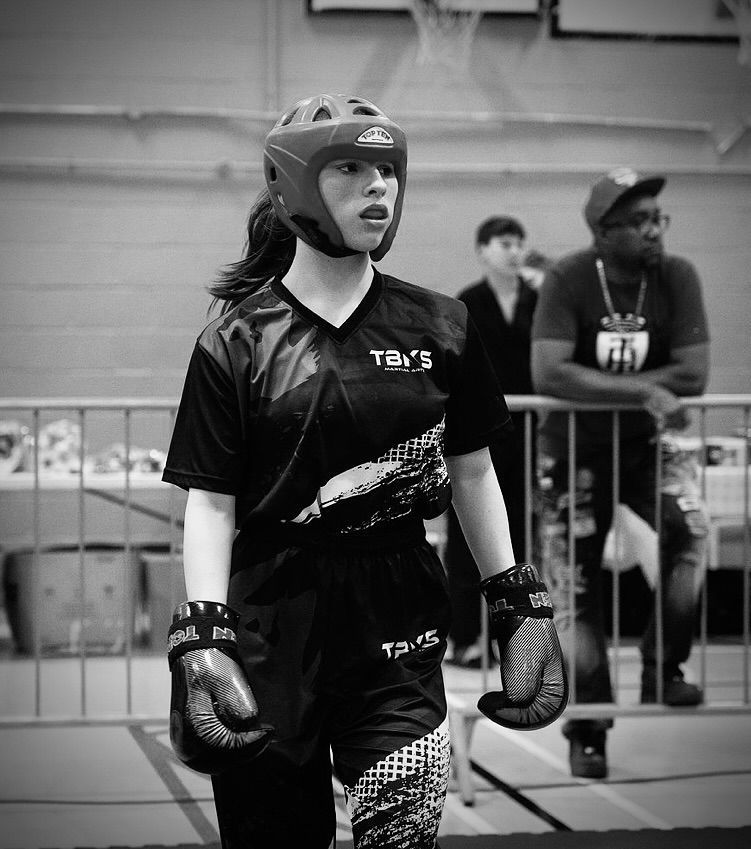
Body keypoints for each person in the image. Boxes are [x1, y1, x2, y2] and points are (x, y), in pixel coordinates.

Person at [162, 93, 567, 849]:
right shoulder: (236, 340)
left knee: (404, 833)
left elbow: (472, 472)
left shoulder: (442, 325)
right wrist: (203, 635)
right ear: (294, 186)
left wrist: (516, 597)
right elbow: (211, 502)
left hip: (398, 620)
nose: (379, 186)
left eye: (387, 169)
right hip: (268, 620)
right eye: (350, 168)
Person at [531, 167, 710, 780]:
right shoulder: (569, 278)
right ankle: (588, 727)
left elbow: (694, 376)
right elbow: (550, 374)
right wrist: (646, 391)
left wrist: (618, 393)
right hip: (572, 452)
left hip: (646, 448)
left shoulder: (678, 276)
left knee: (692, 533)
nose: (655, 231)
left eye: (659, 218)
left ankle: (665, 668)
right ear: (604, 232)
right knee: (572, 588)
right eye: (639, 222)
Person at [445, 216, 539, 668]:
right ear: (483, 250)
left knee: (519, 534)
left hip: (529, 437)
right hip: (480, 434)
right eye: (505, 243)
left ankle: (515, 643)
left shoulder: (540, 299)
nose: (514, 251)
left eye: (519, 243)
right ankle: (467, 637)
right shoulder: (469, 302)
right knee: (468, 537)